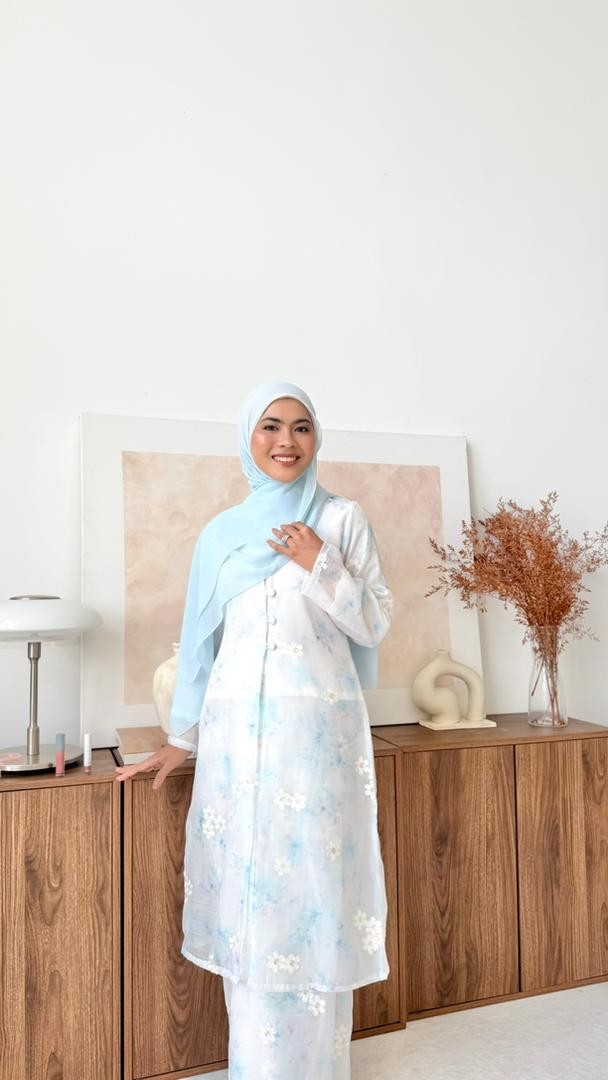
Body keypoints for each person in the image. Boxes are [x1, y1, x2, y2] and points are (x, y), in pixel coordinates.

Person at [116, 381, 393, 1079]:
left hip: (317, 744)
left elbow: (375, 622)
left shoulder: (341, 519)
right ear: (249, 437)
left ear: (316, 438)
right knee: (251, 901)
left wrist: (320, 563)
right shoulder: (221, 535)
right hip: (238, 745)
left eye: (301, 427)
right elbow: (201, 646)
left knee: (313, 897)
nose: (286, 441)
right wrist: (181, 739)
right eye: (271, 426)